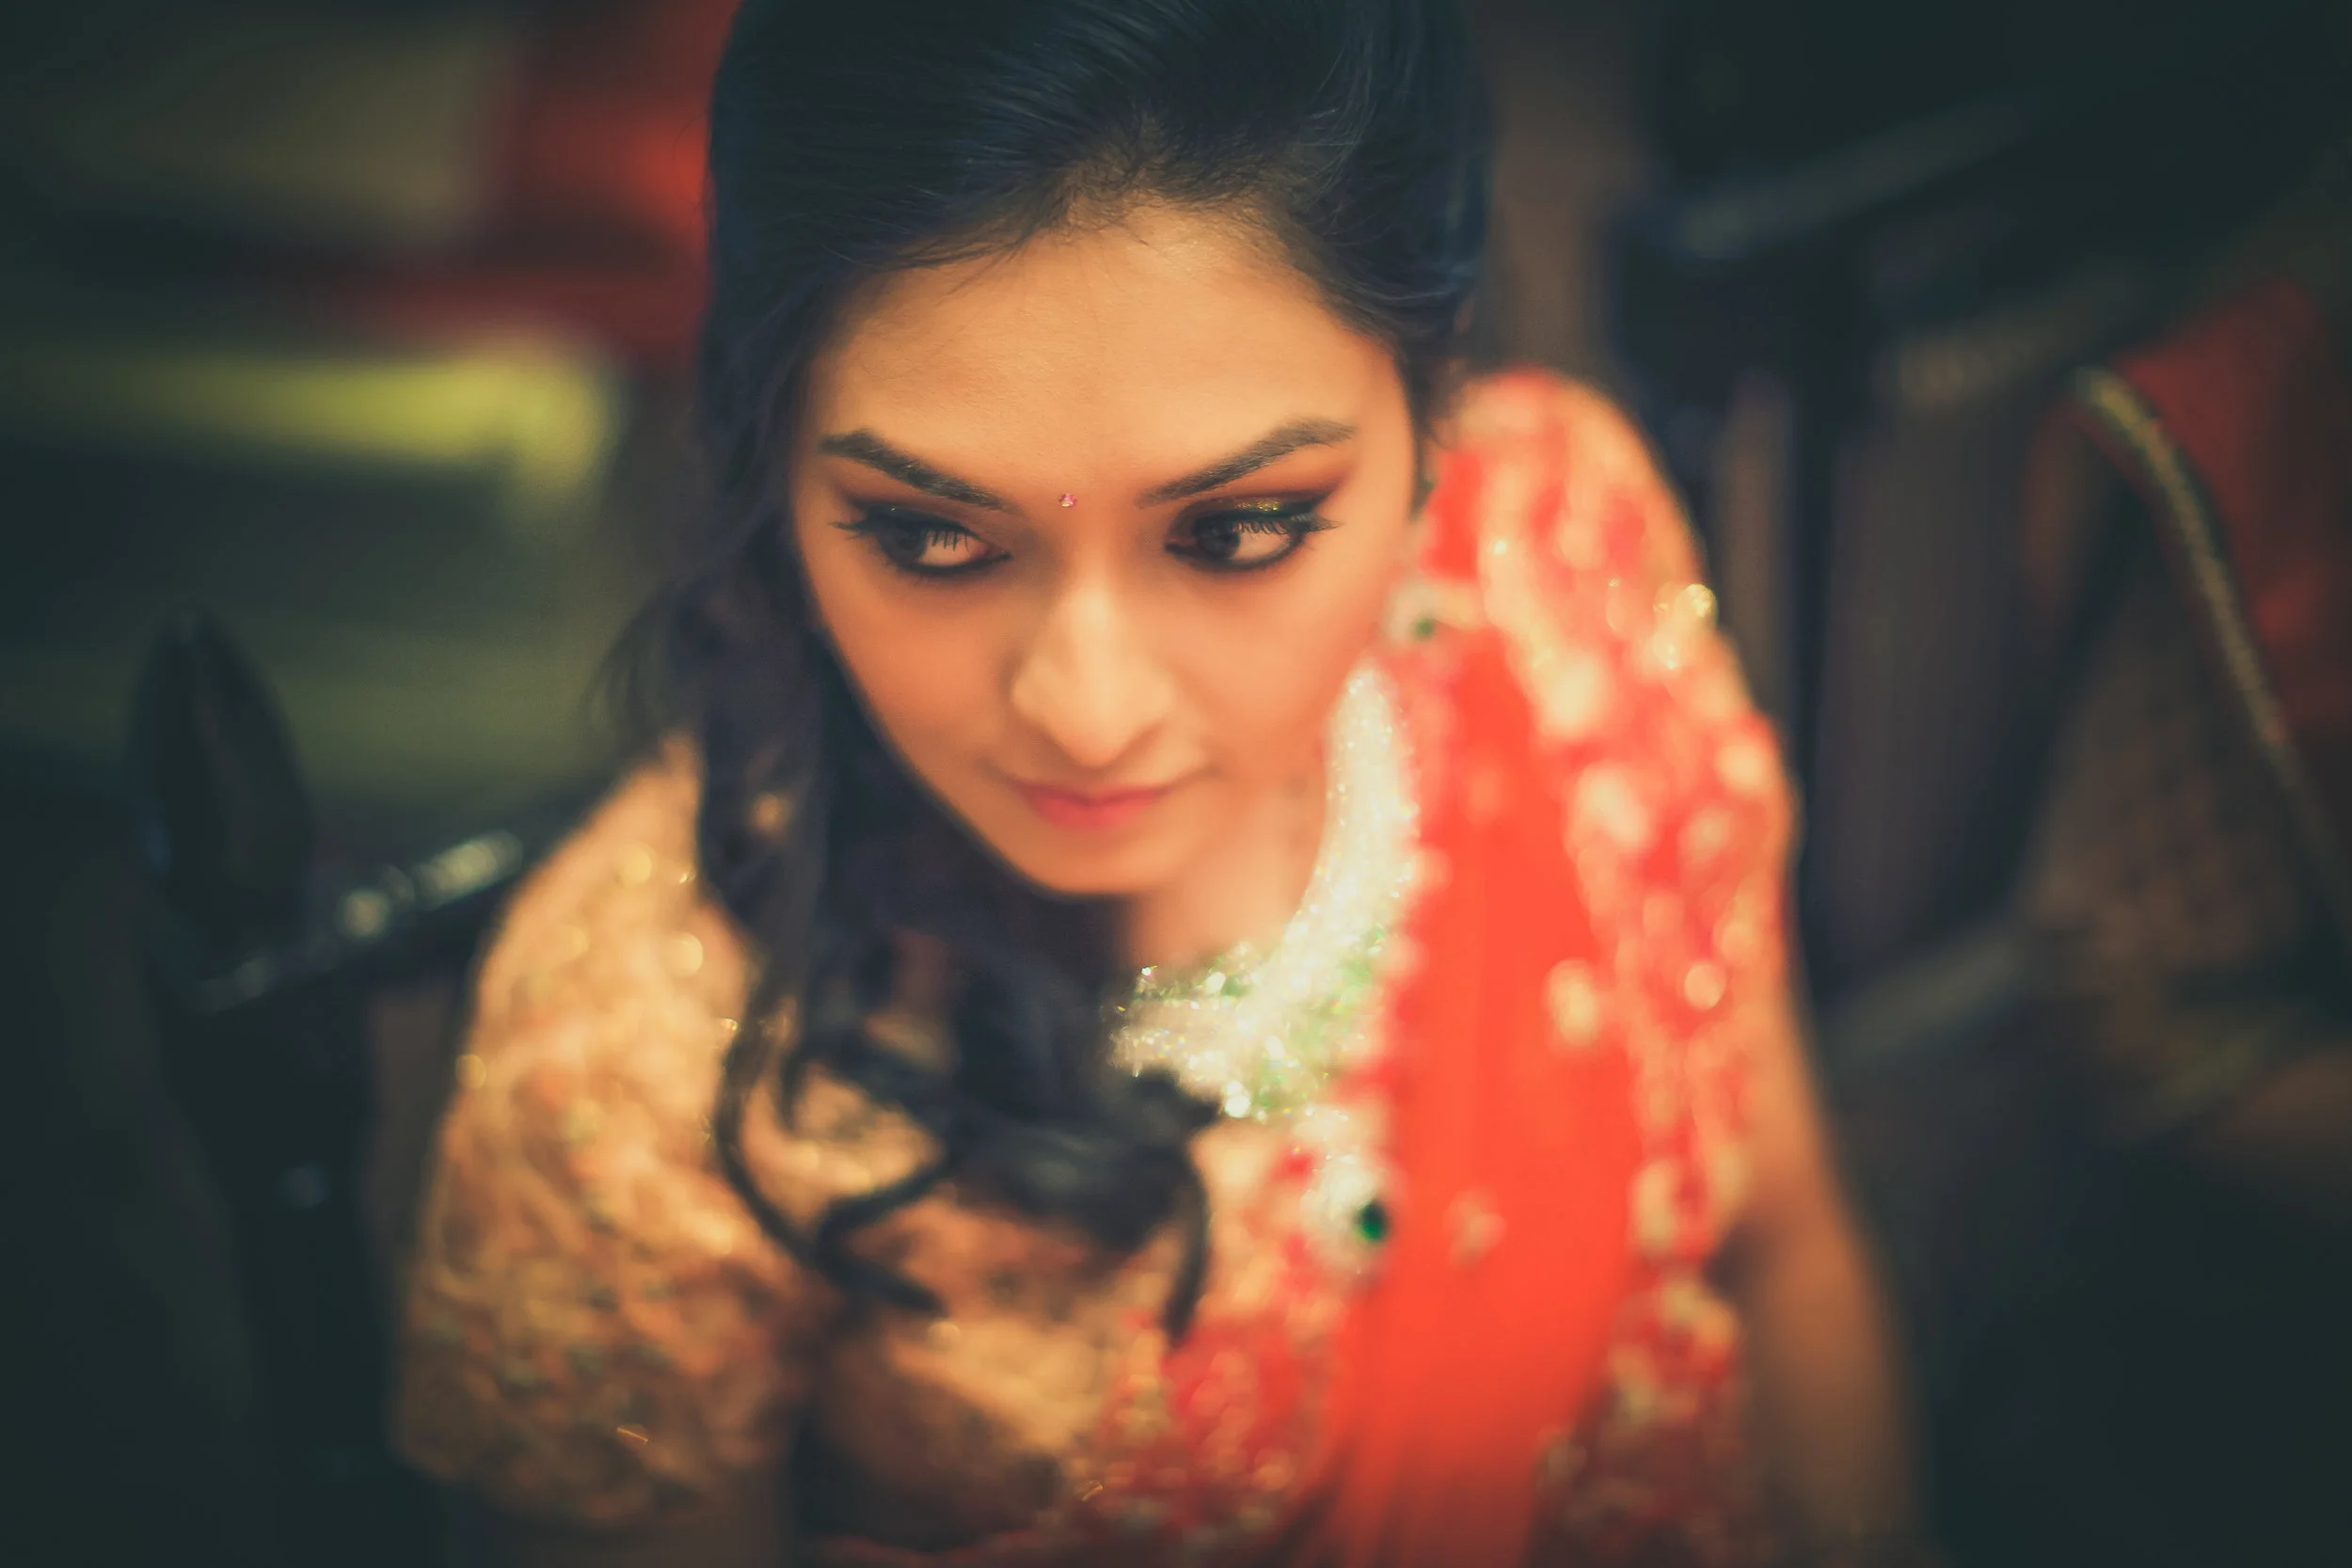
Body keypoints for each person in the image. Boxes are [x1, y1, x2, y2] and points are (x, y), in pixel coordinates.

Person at [391, 3, 1920, 1563]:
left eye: (1239, 529)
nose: (1090, 710)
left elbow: (1780, 1234)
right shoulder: (637, 1063)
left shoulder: (1556, 558)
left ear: (1433, 408)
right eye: (930, 536)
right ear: (773, 457)